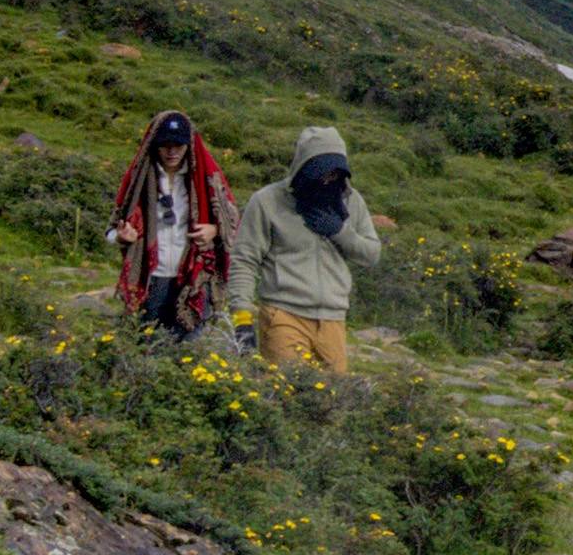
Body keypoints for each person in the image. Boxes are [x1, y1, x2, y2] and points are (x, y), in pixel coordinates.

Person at [225, 123, 384, 367]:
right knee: (286, 396)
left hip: (333, 318)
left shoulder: (351, 201)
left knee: (334, 399)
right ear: (303, 169)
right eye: (321, 173)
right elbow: (244, 260)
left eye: (334, 174)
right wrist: (242, 317)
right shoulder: (267, 202)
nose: (328, 180)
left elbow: (371, 255)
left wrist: (340, 231)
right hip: (283, 314)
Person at [104, 110, 232, 338]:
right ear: (155, 145)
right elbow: (112, 230)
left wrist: (215, 230)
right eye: (165, 145)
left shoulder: (207, 178)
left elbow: (231, 222)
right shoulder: (139, 181)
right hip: (151, 278)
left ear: (189, 145)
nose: (172, 151)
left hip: (193, 279)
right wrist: (121, 237)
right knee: (144, 343)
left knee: (190, 346)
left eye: (178, 145)